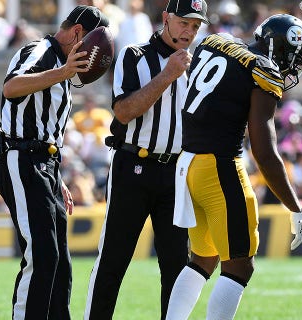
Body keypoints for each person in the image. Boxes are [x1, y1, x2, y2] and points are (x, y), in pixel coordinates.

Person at [165, 14, 302, 319]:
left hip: (189, 164)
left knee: (203, 258)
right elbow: (263, 148)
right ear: (281, 50)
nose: (288, 71)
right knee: (240, 264)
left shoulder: (213, 42)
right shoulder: (263, 70)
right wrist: (294, 206)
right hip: (219, 167)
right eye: (292, 61)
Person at [83, 1, 208, 319]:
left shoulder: (199, 65)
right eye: (183, 22)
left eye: (195, 26)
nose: (188, 31)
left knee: (177, 268)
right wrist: (168, 75)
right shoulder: (134, 55)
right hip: (134, 168)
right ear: (166, 18)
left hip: (177, 174)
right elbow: (123, 111)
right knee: (113, 260)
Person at [0, 5, 109, 320]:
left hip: (45, 165)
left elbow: (49, 133)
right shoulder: (40, 51)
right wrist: (64, 72)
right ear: (78, 33)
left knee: (59, 262)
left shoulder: (61, 64)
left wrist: (57, 178)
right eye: (92, 45)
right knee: (42, 255)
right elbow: (11, 87)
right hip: (21, 158)